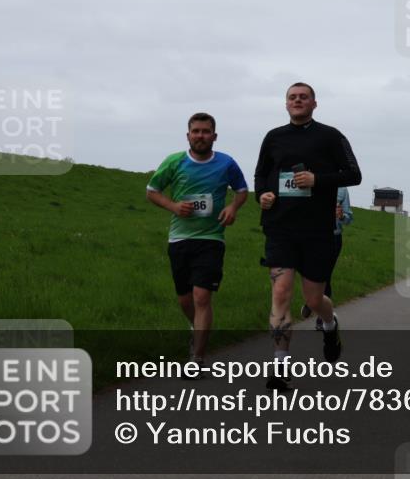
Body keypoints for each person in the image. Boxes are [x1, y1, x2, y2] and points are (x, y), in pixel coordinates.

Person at [254, 83, 361, 389]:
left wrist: (318, 179)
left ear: (314, 103)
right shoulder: (273, 137)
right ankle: (280, 366)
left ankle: (329, 324)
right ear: (286, 104)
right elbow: (261, 174)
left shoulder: (331, 136)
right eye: (292, 97)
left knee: (314, 299)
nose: (297, 100)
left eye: (303, 97)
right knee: (281, 292)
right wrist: (262, 195)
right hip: (280, 227)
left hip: (317, 230)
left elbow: (354, 175)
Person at [146, 113, 248, 370]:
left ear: (214, 136)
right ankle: (196, 328)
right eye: (196, 131)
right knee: (185, 300)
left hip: (211, 238)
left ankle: (197, 359)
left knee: (202, 297)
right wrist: (173, 206)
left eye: (205, 131)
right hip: (179, 238)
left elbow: (242, 190)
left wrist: (233, 207)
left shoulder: (226, 163)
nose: (200, 136)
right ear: (188, 135)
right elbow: (152, 191)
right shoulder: (175, 161)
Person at [301, 186, 353, 329]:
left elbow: (349, 218)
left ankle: (321, 318)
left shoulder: (342, 189)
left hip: (333, 238)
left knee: (325, 276)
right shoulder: (311, 183)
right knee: (310, 274)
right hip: (311, 236)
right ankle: (312, 301)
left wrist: (341, 216)